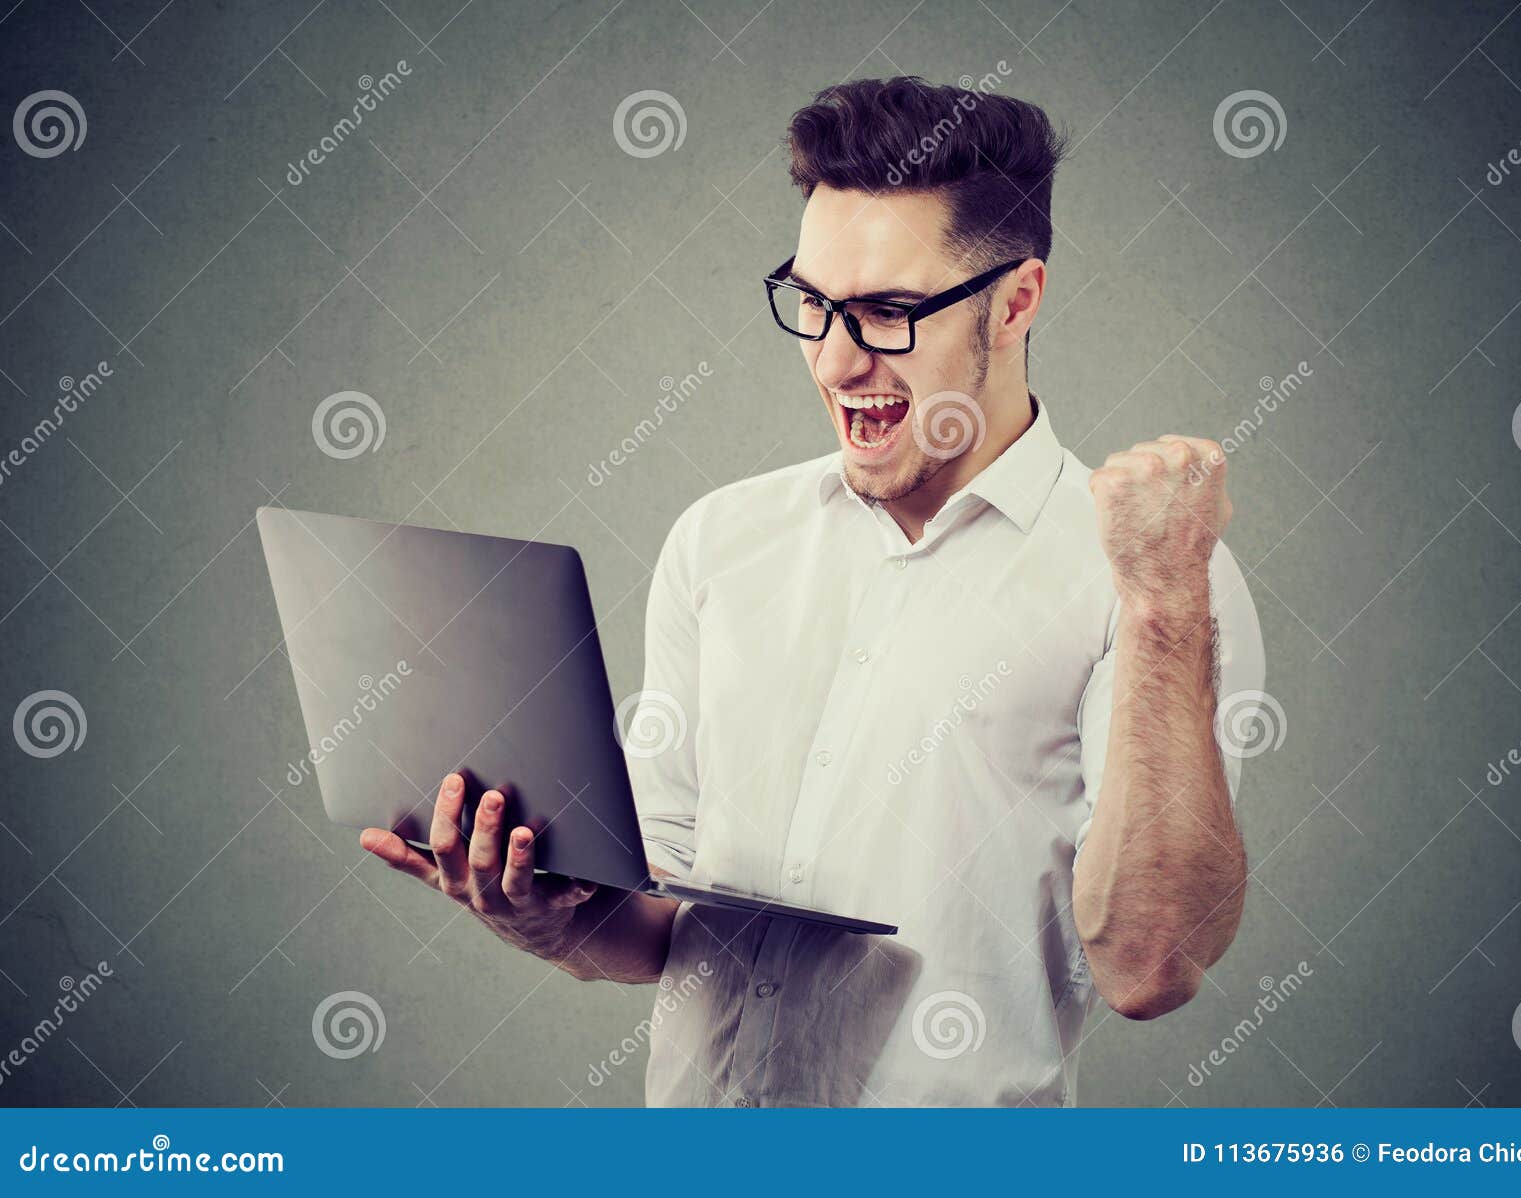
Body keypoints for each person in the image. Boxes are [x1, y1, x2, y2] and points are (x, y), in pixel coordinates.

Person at [361, 75, 1266, 1107]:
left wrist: (1159, 606)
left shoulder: (1153, 580)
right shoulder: (720, 540)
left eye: (885, 312)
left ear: (1015, 302)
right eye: (813, 303)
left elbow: (1150, 965)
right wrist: (551, 918)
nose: (835, 361)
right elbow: (660, 918)